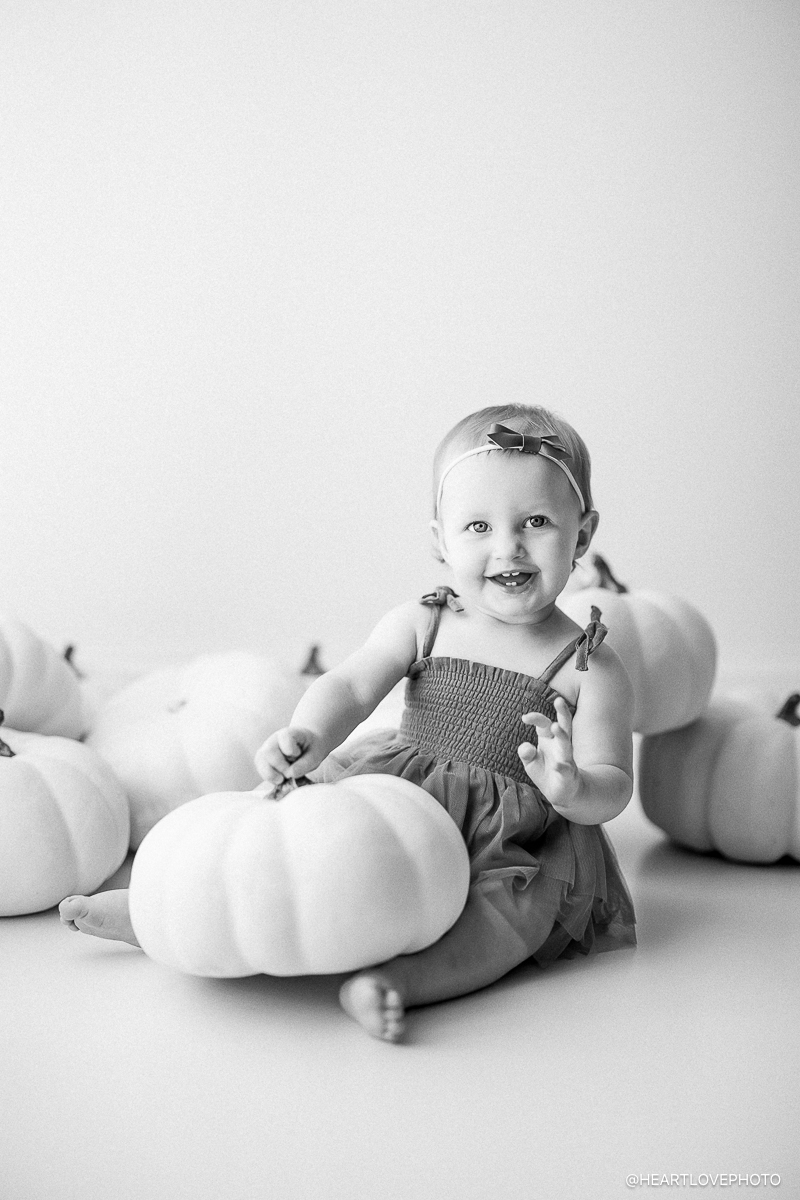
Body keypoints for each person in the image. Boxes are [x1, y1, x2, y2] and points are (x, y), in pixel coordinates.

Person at [60, 404, 636, 1043]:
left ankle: (400, 982)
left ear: (582, 535)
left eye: (536, 521)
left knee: (512, 916)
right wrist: (309, 733)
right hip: (394, 792)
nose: (508, 547)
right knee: (280, 839)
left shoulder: (590, 664)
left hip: (512, 839)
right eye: (479, 526)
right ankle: (162, 912)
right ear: (441, 541)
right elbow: (351, 686)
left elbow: (613, 781)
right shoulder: (425, 621)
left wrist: (573, 788)